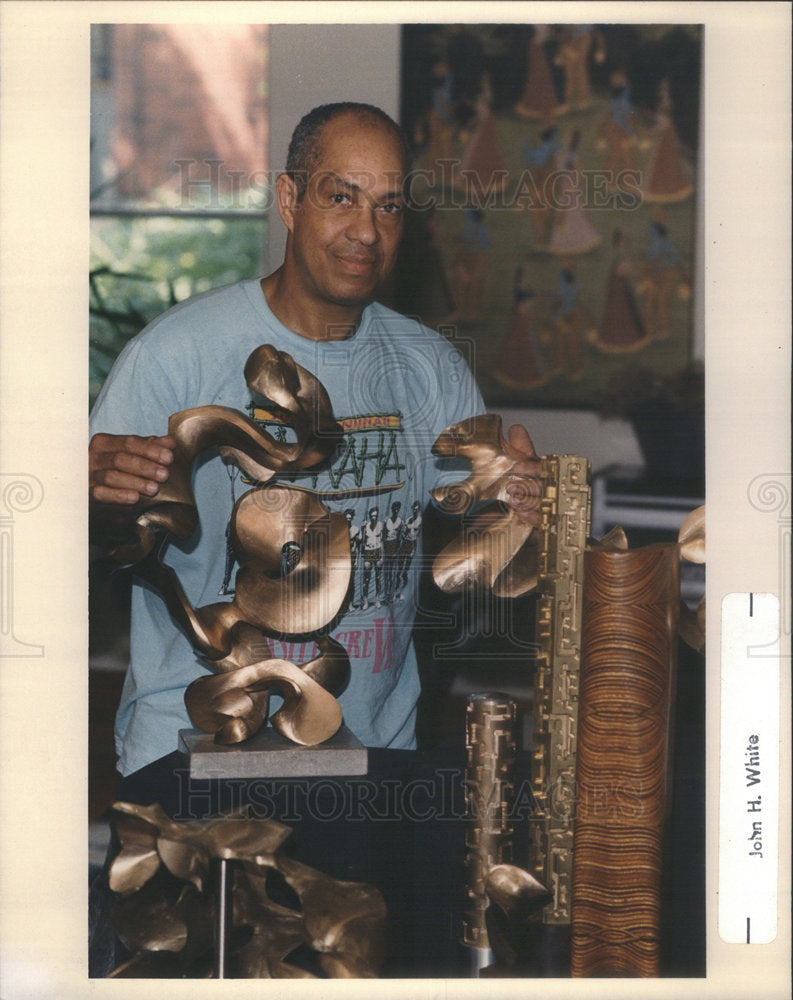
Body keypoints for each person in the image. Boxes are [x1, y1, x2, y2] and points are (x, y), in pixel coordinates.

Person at [89, 102, 542, 778]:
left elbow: (468, 547)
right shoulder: (175, 355)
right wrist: (87, 492)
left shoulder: (430, 366)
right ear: (288, 198)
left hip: (374, 752)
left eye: (388, 208)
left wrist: (516, 515)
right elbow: (85, 543)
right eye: (341, 197)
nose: (365, 231)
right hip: (193, 752)